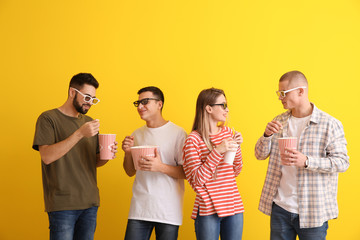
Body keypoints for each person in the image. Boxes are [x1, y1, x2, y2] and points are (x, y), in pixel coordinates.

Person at [255, 70, 349, 240]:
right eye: (278, 93)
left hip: (313, 211)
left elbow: (342, 162)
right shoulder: (279, 121)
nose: (279, 97)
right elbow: (259, 155)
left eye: (283, 93)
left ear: (301, 91)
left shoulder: (330, 124)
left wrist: (307, 161)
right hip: (280, 208)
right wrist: (266, 136)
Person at [32, 73, 117, 240]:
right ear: (72, 92)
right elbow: (47, 156)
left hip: (90, 202)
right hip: (63, 204)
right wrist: (79, 134)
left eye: (93, 99)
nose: (90, 102)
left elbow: (94, 162)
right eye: (86, 97)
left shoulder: (90, 122)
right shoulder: (48, 118)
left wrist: (107, 155)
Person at [121, 86, 187, 240]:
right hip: (139, 209)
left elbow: (186, 173)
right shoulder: (136, 134)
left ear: (159, 104)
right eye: (138, 103)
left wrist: (160, 167)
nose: (140, 107)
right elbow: (130, 171)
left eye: (145, 101)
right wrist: (128, 153)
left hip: (168, 211)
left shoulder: (178, 134)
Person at [183, 88, 244, 240]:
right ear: (209, 108)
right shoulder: (193, 140)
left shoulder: (228, 132)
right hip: (207, 208)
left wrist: (237, 147)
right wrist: (217, 151)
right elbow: (197, 180)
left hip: (233, 204)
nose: (227, 109)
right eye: (223, 105)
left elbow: (236, 170)